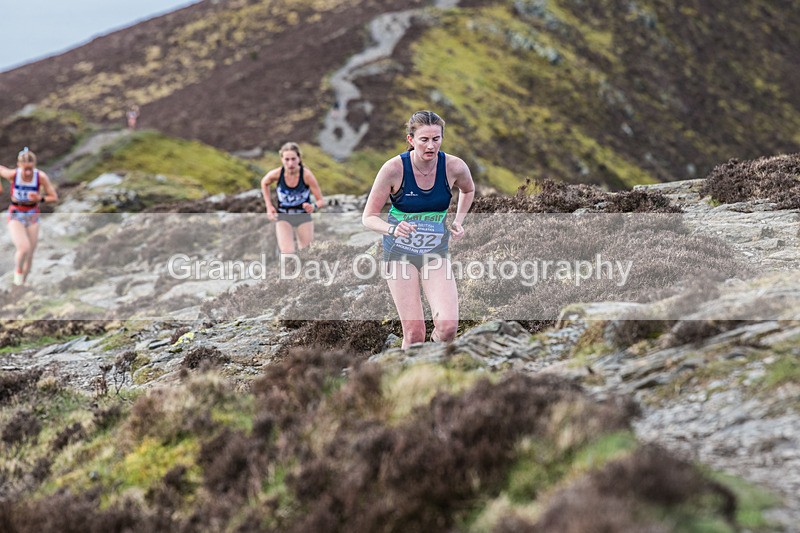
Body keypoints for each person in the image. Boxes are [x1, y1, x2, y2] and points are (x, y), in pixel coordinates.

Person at [362, 111, 475, 348]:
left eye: (436, 139)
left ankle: (431, 358)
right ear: (411, 139)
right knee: (414, 334)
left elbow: (468, 189)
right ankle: (409, 377)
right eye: (424, 139)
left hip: (435, 252)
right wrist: (392, 229)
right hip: (399, 253)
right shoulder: (393, 169)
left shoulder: (454, 166)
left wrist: (458, 220)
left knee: (448, 327)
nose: (431, 145)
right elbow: (369, 217)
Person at [0, 147, 59, 287]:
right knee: (24, 248)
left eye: (30, 169)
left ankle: (22, 285)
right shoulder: (13, 175)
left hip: (32, 214)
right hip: (16, 213)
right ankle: (17, 276)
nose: (27, 172)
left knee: (30, 255)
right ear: (19, 166)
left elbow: (54, 197)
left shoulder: (41, 177)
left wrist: (40, 198)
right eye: (25, 168)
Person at [261, 142, 325, 254]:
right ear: (282, 159)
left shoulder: (306, 175)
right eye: (287, 159)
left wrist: (313, 206)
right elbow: (264, 183)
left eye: (293, 159)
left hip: (303, 217)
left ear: (299, 158)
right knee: (287, 252)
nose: (290, 163)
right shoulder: (277, 174)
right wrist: (269, 206)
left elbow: (321, 201)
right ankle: (288, 270)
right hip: (284, 216)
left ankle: (304, 271)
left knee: (307, 253)